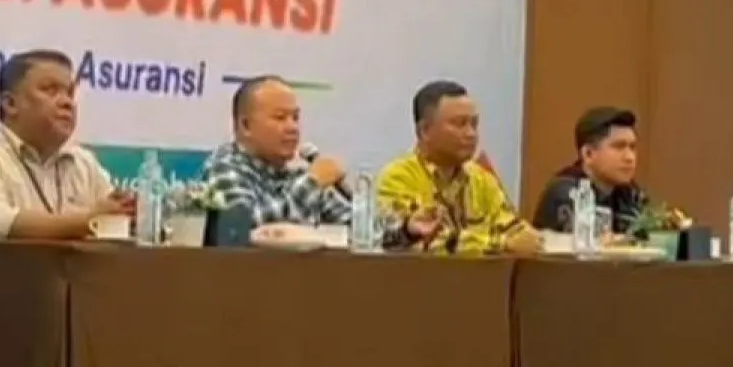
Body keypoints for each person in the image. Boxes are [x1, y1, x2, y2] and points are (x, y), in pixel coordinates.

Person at [0, 50, 133, 353]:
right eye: (50, 90)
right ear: (10, 104)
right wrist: (92, 220)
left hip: (62, 319)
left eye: (70, 93)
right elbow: (1, 228)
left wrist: (123, 213)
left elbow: (116, 226)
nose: (66, 102)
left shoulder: (84, 163)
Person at [202, 75, 438, 239]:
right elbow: (240, 228)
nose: (292, 127)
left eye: (295, 118)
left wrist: (406, 228)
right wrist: (312, 183)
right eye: (280, 118)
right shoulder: (226, 164)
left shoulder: (295, 176)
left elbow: (356, 229)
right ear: (245, 125)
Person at [376, 80, 541, 255]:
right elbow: (424, 243)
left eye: (474, 124)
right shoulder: (397, 179)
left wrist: (525, 239)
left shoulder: (482, 180)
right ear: (424, 130)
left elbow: (516, 231)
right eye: (460, 124)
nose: (471, 134)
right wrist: (500, 245)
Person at [530, 106, 649, 235]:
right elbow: (584, 244)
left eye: (632, 147)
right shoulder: (567, 193)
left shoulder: (631, 194)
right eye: (619, 147)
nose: (630, 157)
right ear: (588, 154)